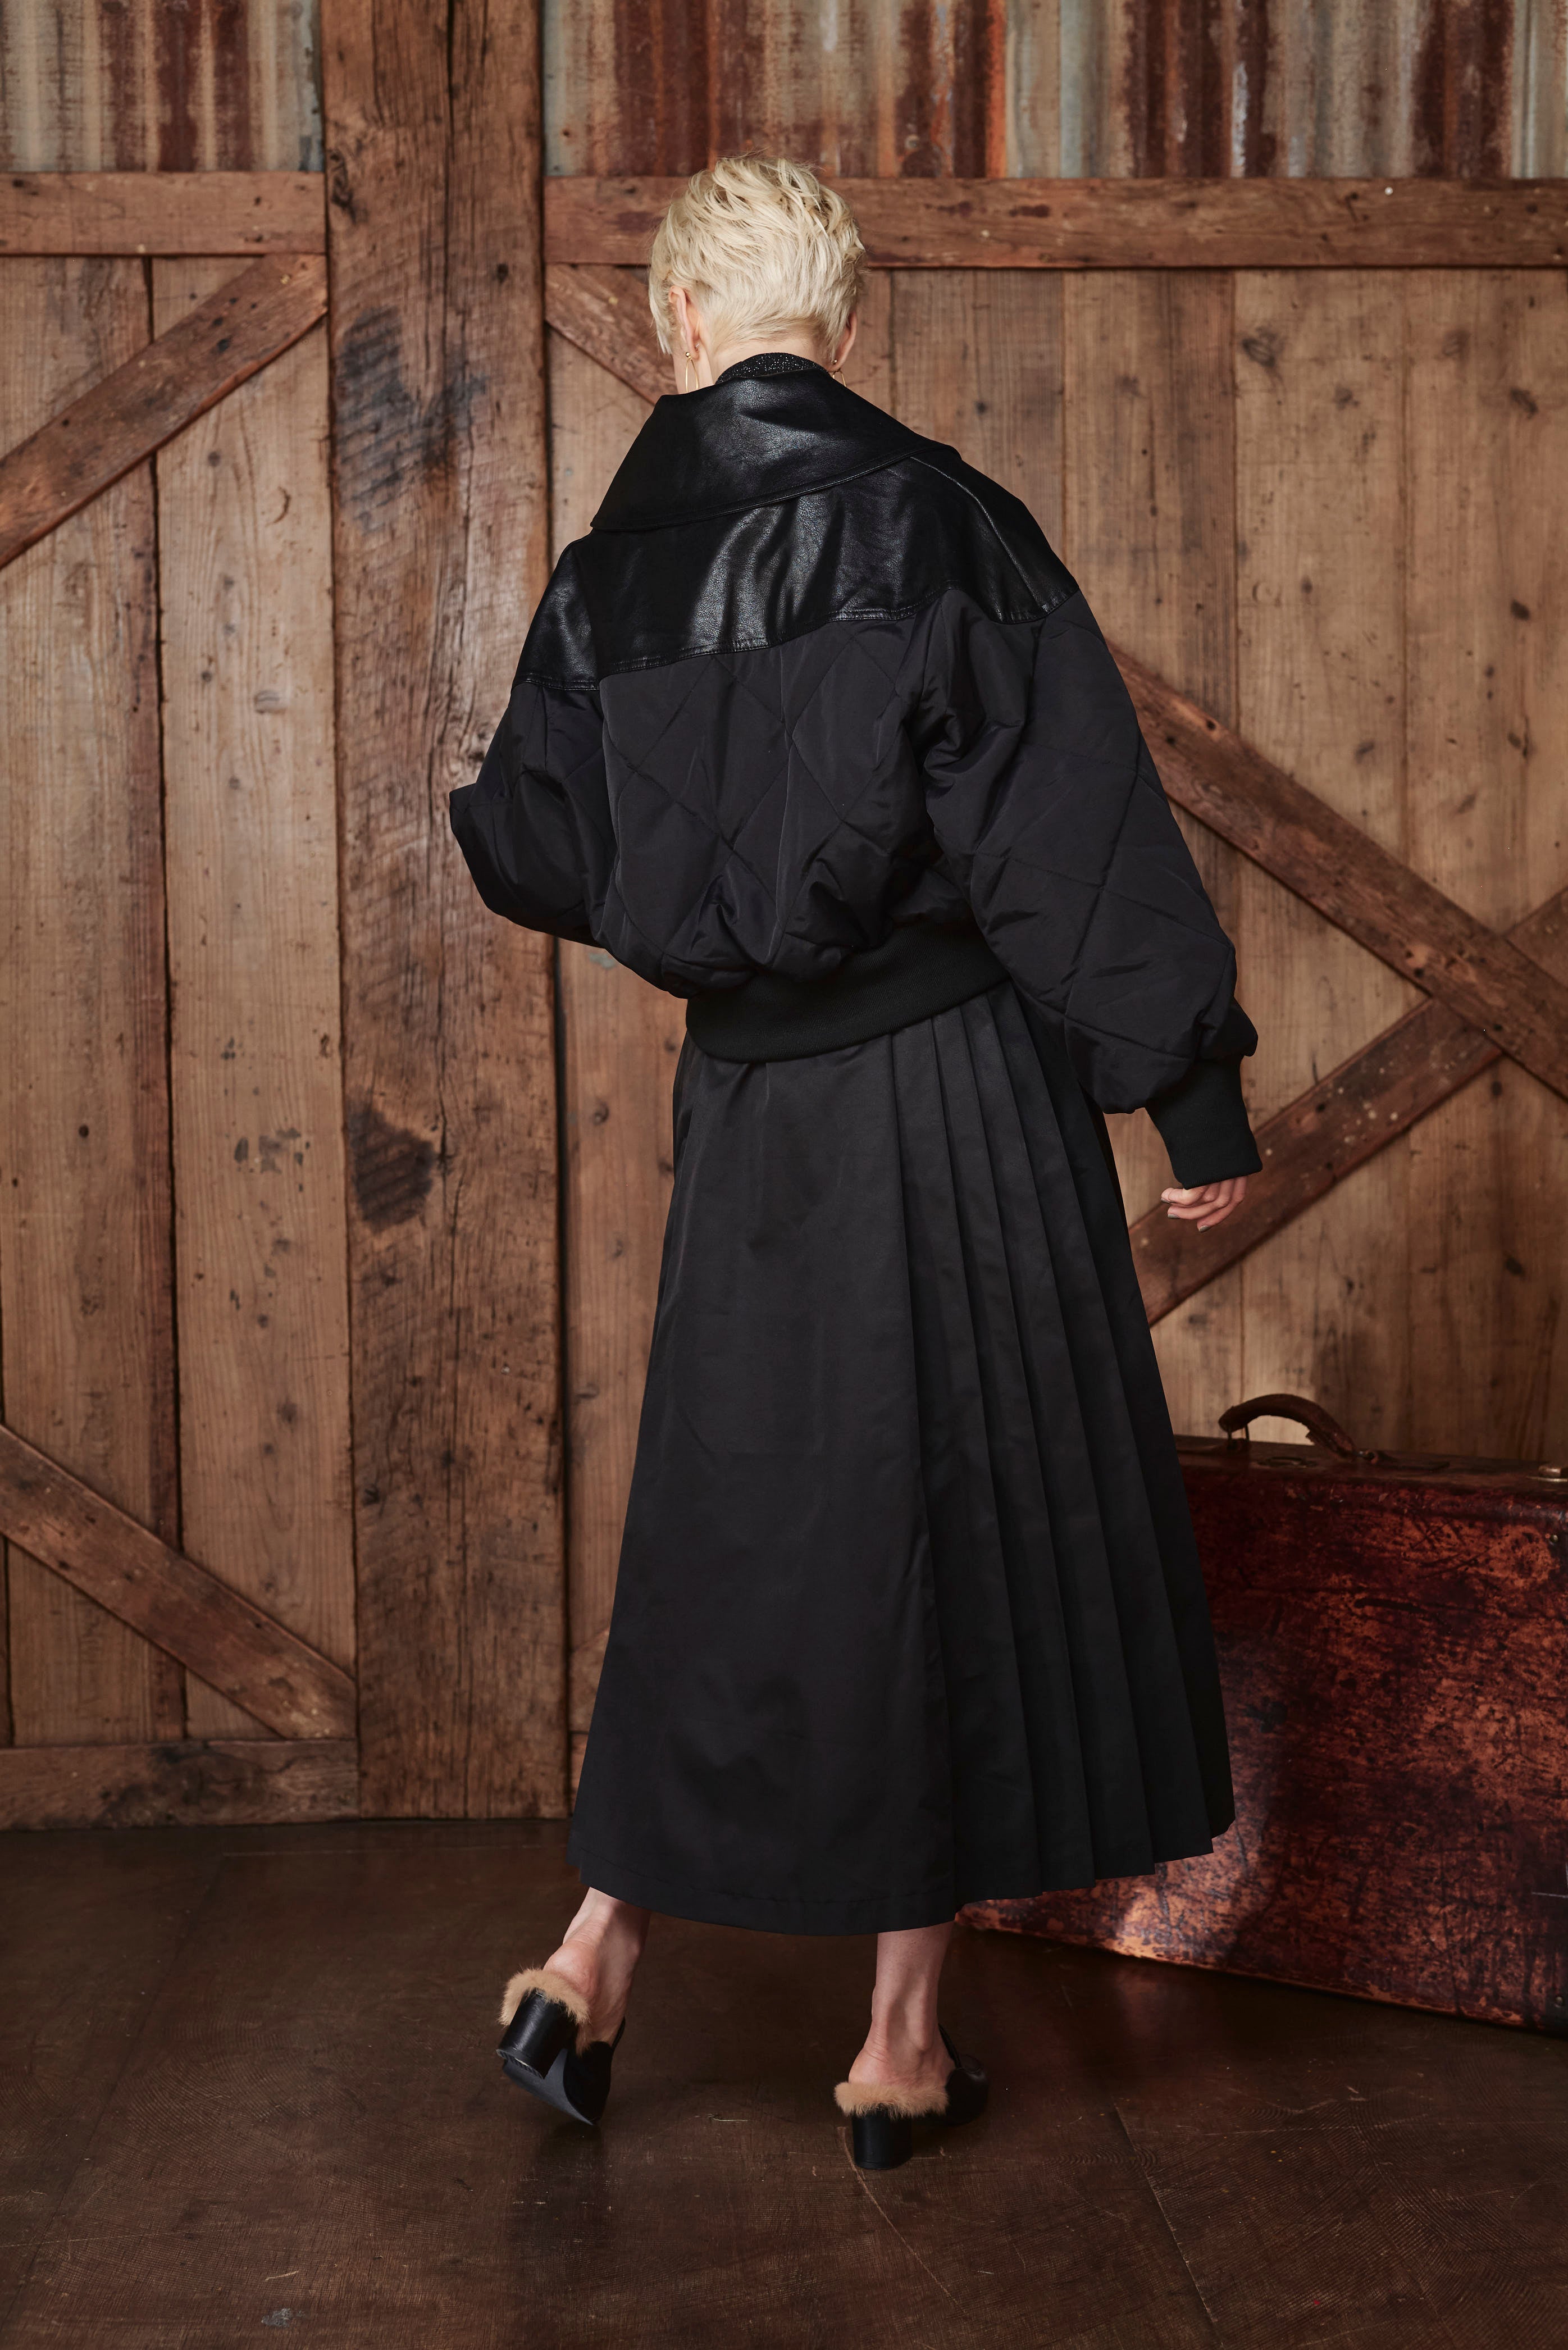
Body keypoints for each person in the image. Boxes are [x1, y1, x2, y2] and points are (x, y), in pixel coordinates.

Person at [450, 156, 1261, 2171]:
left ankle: (593, 1950)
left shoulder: (604, 575)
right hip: (958, 1093)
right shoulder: (940, 521)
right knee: (949, 1532)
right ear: (846, 318)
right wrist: (1188, 1095)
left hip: (750, 1114)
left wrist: (699, 881)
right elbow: (1068, 836)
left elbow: (529, 841)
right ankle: (898, 2048)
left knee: (732, 1525)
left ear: (677, 319)